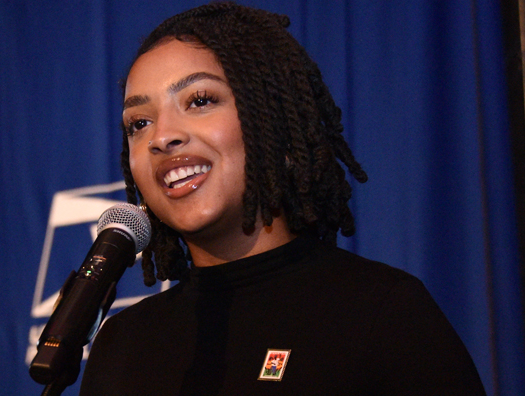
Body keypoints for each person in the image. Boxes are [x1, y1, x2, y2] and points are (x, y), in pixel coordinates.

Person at [79, 2, 486, 395]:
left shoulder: (381, 312)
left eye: (200, 101)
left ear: (273, 119)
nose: (162, 136)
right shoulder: (123, 345)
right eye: (139, 122)